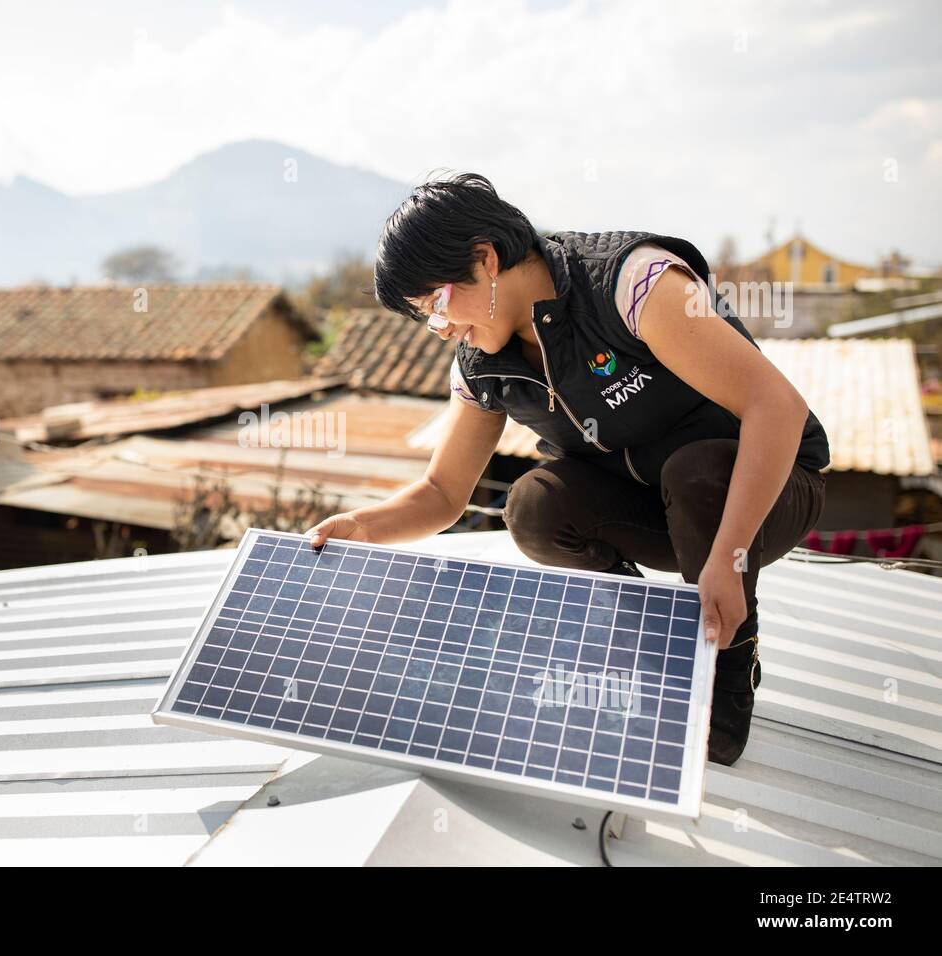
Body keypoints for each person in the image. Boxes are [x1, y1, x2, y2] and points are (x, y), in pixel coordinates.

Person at [304, 173, 829, 765]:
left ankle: (730, 671)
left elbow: (775, 407)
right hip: (654, 507)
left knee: (695, 469)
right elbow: (443, 491)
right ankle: (655, 648)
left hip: (764, 490)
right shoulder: (481, 364)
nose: (443, 327)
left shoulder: (631, 285)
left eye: (438, 303)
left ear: (486, 258)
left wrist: (730, 556)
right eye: (427, 318)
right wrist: (360, 527)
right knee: (534, 505)